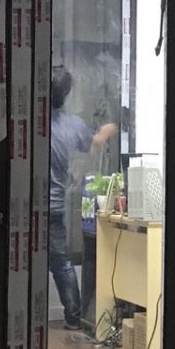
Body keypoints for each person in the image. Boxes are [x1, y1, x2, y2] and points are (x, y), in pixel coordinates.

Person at [49, 67, 116, 332]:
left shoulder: (31, 122)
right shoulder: (73, 125)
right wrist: (109, 127)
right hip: (55, 206)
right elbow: (96, 141)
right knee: (62, 263)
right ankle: (73, 316)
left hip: (26, 205)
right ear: (66, 94)